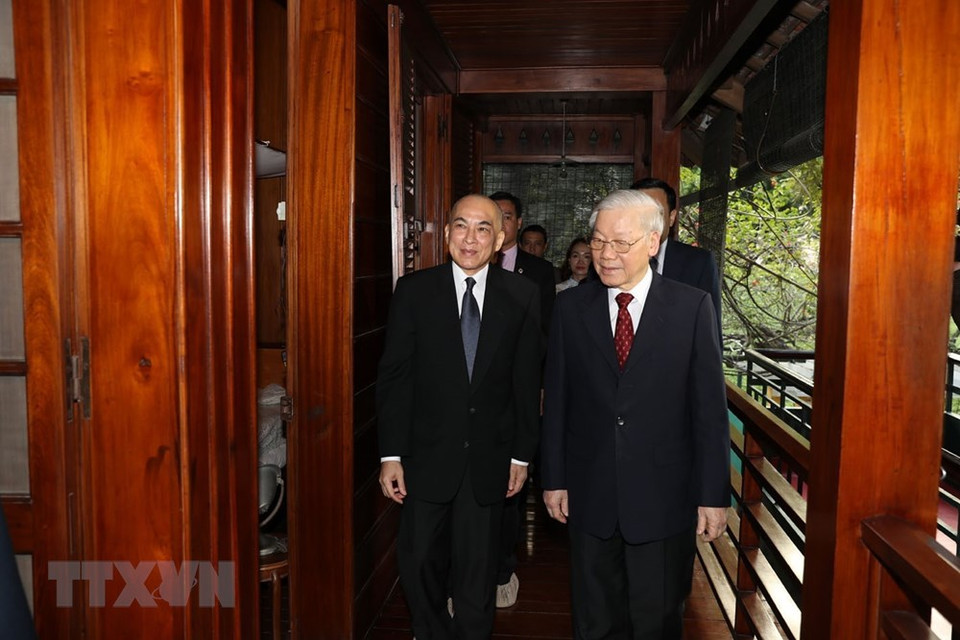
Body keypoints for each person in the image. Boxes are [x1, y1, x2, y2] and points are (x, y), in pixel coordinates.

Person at [540, 189, 729, 640]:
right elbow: (558, 400)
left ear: (653, 241)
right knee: (594, 620)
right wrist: (554, 479)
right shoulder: (570, 307)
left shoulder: (691, 307)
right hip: (589, 494)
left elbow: (708, 411)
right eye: (599, 241)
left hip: (665, 498)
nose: (605, 255)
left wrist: (713, 494)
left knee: (657, 620)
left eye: (620, 244)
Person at [377, 194, 542, 639]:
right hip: (424, 455)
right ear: (447, 233)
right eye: (461, 226)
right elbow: (395, 377)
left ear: (500, 237)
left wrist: (522, 458)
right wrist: (390, 454)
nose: (471, 238)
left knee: (477, 572)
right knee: (418, 564)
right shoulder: (414, 291)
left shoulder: (523, 296)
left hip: (490, 460)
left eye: (483, 228)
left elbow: (527, 385)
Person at [487, 191, 556, 607]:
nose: (500, 223)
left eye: (506, 216)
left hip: (519, 393)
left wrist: (540, 388)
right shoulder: (465, 263)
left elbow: (544, 336)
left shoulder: (539, 273)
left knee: (512, 486)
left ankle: (503, 569)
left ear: (516, 221)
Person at [630, 178, 722, 331]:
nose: (648, 221)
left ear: (671, 217)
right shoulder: (611, 260)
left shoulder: (699, 263)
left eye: (656, 213)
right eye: (640, 213)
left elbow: (710, 330)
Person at [489, 192, 557, 335]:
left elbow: (545, 322)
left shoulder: (541, 269)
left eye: (507, 217)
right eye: (494, 217)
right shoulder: (473, 263)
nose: (500, 224)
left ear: (519, 222)